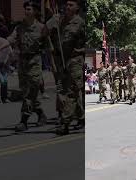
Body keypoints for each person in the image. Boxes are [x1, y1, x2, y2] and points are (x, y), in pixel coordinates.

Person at [7, 0, 48, 132]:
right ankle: (41, 114)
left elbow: (49, 47)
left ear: (35, 11)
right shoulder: (20, 27)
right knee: (27, 93)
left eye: (29, 9)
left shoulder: (42, 28)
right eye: (25, 9)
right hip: (22, 63)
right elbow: (10, 39)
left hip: (35, 62)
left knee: (30, 93)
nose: (26, 11)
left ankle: (23, 121)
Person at [46, 0, 85, 135]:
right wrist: (51, 21)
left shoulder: (80, 23)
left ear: (77, 7)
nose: (67, 7)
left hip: (75, 61)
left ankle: (65, 123)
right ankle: (81, 117)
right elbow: (44, 34)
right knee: (66, 91)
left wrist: (80, 51)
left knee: (71, 91)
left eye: (71, 5)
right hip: (62, 61)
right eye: (66, 5)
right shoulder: (60, 21)